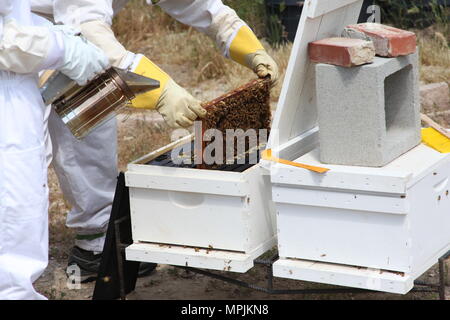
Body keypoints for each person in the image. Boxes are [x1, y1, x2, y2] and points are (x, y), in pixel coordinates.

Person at [31, 0, 279, 282]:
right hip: (22, 33)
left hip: (69, 27)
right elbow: (89, 32)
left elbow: (200, 5)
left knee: (94, 108)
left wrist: (250, 48)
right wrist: (161, 90)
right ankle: (31, 258)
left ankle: (98, 237)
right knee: (26, 154)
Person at [0, 0, 110, 299]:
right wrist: (61, 48)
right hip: (7, 93)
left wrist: (55, 34)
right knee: (11, 226)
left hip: (17, 80)